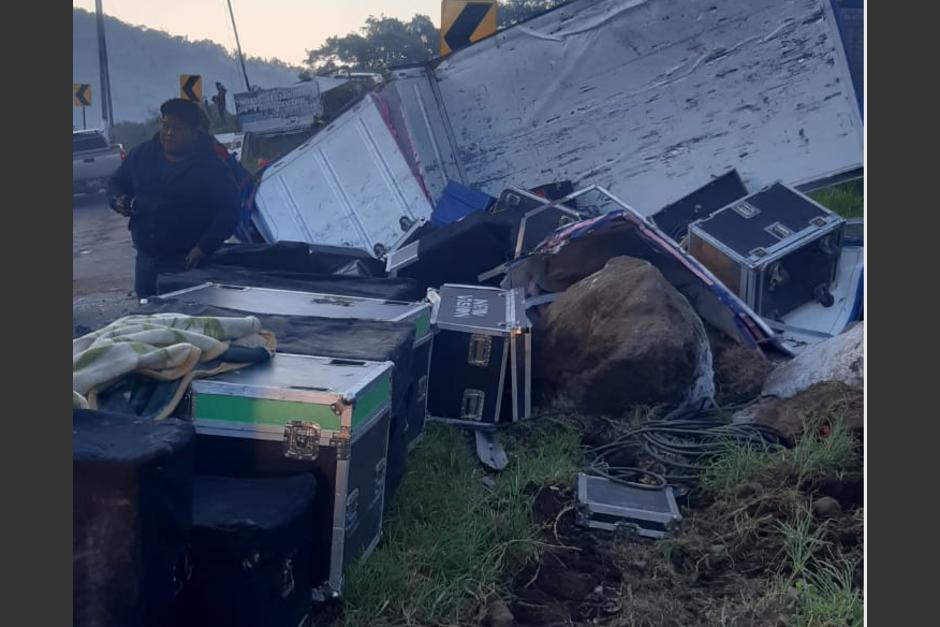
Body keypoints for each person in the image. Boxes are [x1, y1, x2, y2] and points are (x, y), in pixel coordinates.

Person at [108, 98, 241, 299]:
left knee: (187, 320)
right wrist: (117, 200)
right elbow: (116, 182)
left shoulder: (212, 167)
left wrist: (204, 247)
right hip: (146, 263)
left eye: (178, 129)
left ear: (195, 133)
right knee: (148, 319)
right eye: (166, 126)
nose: (169, 133)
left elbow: (229, 210)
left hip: (189, 264)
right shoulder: (142, 155)